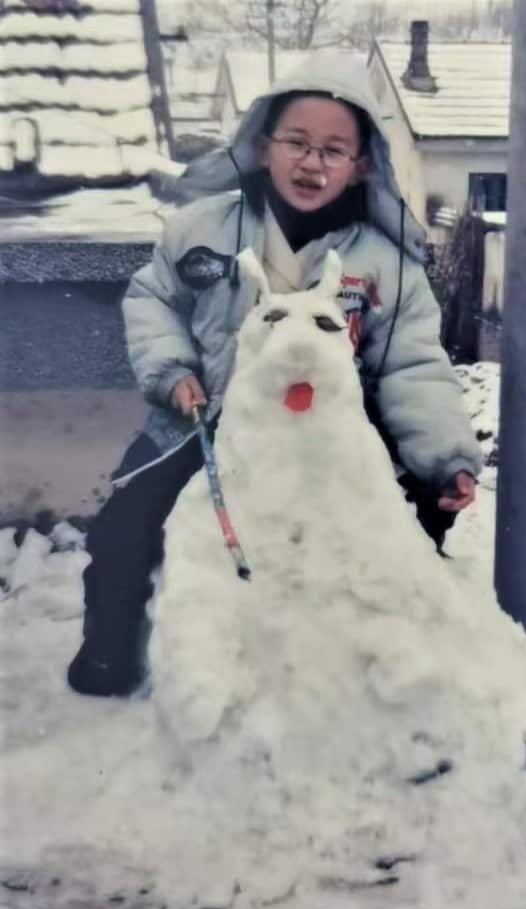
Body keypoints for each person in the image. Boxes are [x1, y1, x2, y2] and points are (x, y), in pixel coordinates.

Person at [67, 52, 483, 699]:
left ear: (362, 164)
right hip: (201, 419)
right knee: (126, 522)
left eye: (333, 149)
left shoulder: (382, 265)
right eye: (296, 142)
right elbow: (153, 299)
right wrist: (173, 367)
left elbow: (412, 365)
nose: (312, 162)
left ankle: (390, 670)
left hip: (331, 435)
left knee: (403, 526)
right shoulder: (204, 230)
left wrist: (443, 459)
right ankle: (111, 652)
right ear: (262, 146)